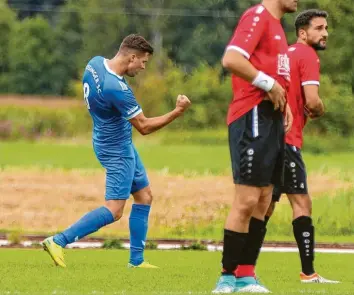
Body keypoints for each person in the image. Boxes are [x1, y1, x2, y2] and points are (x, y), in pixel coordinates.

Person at [42, 34, 191, 269]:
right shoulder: (118, 88)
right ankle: (58, 240)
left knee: (144, 196)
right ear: (131, 57)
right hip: (117, 150)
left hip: (107, 140)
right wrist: (177, 112)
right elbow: (144, 126)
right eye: (143, 62)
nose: (143, 67)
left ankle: (137, 261)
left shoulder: (95, 64)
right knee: (114, 210)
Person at [212, 0, 297, 293]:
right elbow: (232, 59)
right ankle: (226, 277)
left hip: (272, 117)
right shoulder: (257, 15)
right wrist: (269, 84)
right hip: (252, 115)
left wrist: (283, 102)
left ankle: (247, 275)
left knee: (265, 200)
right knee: (247, 200)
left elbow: (278, 77)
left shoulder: (278, 27)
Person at [264, 9, 339, 284]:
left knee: (265, 207)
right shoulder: (308, 55)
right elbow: (313, 100)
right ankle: (308, 273)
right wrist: (319, 110)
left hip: (270, 140)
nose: (325, 33)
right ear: (303, 33)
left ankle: (239, 270)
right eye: (319, 28)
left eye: (326, 27)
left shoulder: (286, 54)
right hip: (288, 142)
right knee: (302, 203)